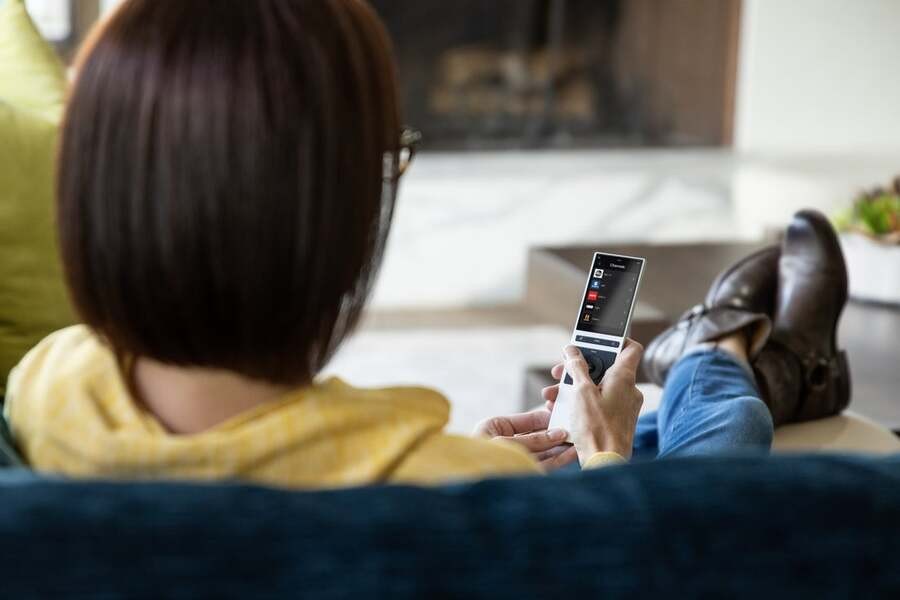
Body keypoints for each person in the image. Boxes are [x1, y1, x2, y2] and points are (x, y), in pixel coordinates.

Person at [3, 0, 850, 488]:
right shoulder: (450, 494)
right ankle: (726, 355)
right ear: (327, 225)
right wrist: (606, 460)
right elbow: (644, 558)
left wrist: (470, 460)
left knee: (632, 431)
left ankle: (746, 362)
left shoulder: (44, 385)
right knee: (709, 454)